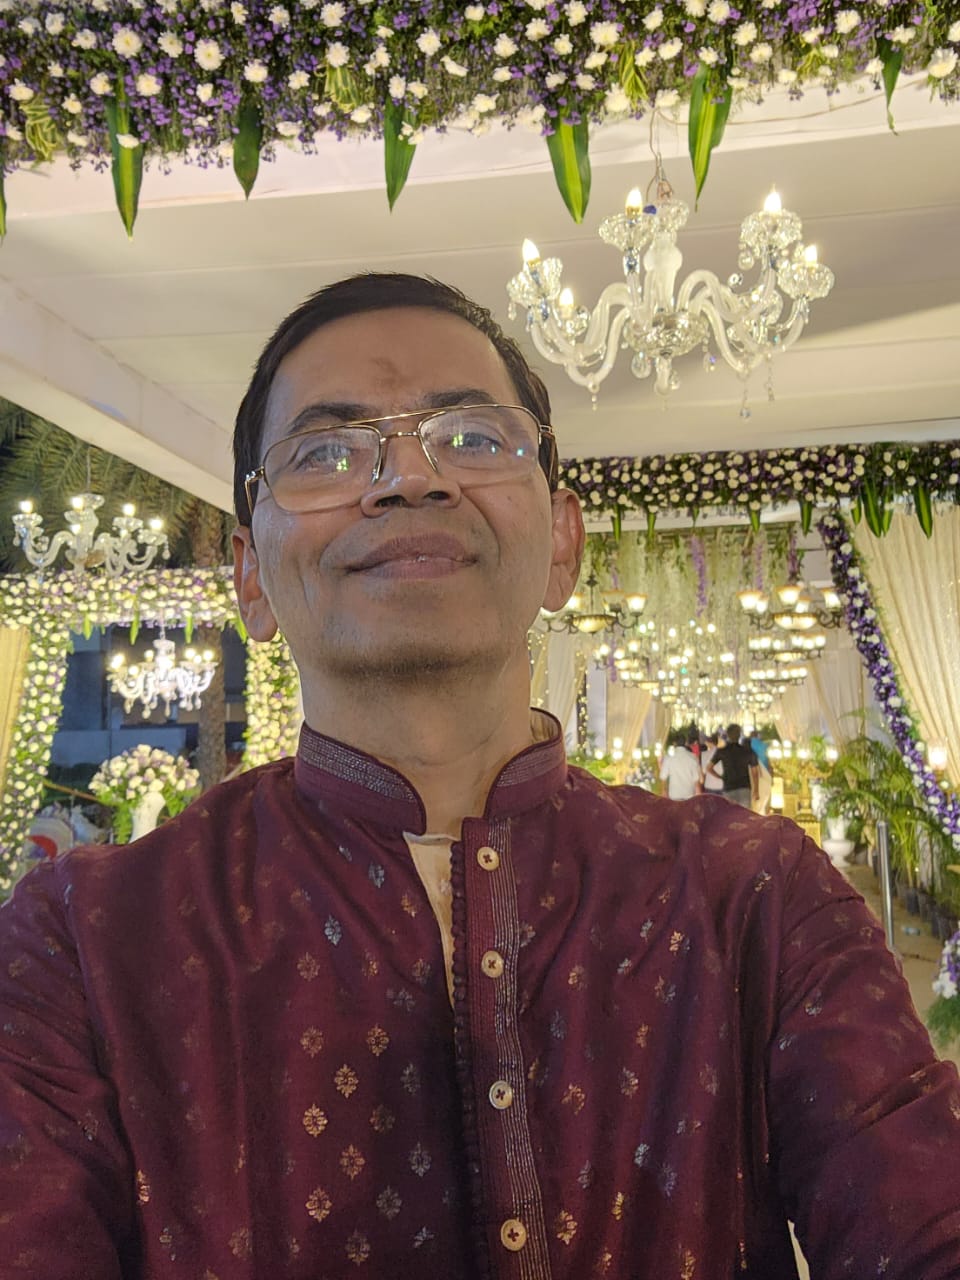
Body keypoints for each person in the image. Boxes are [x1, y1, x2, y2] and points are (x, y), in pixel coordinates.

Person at [0, 274, 958, 1280]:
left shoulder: (755, 896)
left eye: (470, 437)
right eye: (326, 452)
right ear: (250, 575)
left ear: (562, 543)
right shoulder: (87, 937)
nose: (408, 480)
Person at [706, 722, 760, 809]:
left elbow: (709, 768)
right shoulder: (748, 751)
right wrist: (756, 790)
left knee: (730, 815)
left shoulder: (722, 751)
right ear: (739, 735)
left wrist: (720, 777)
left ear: (727, 735)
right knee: (744, 815)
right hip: (744, 788)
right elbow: (755, 773)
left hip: (728, 788)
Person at [658, 728, 703, 800]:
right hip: (689, 796)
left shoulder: (669, 759)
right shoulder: (693, 757)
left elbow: (663, 777)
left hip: (674, 796)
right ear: (685, 743)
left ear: (674, 743)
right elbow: (696, 779)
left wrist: (664, 791)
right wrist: (698, 796)